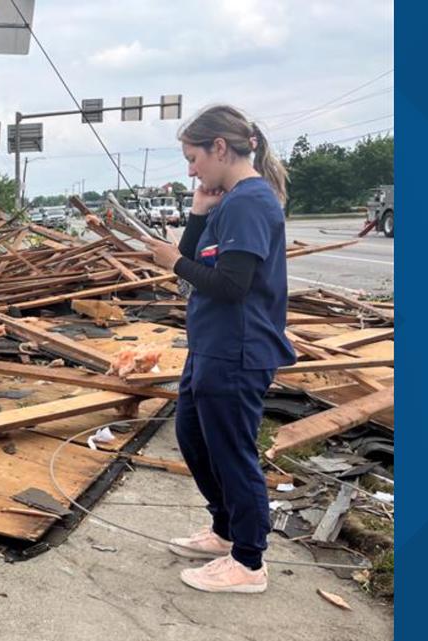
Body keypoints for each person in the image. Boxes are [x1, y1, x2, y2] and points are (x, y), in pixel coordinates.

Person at [142, 104, 296, 594]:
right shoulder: (228, 202)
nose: (191, 170)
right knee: (192, 436)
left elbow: (231, 285)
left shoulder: (251, 202)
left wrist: (171, 264)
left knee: (232, 452)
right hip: (211, 346)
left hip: (238, 349)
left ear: (221, 148)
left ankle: (248, 562)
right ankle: (225, 530)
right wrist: (196, 214)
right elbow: (194, 259)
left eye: (193, 158)